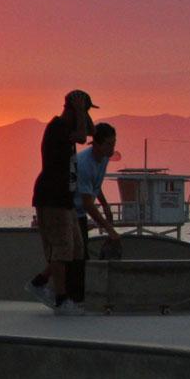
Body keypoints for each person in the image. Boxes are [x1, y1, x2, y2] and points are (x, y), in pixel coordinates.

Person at [27, 90, 97, 314]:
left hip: (64, 198)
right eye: (82, 111)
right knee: (61, 249)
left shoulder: (71, 126)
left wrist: (82, 111)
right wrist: (77, 110)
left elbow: (91, 132)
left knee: (76, 249)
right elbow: (82, 137)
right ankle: (61, 298)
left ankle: (39, 282)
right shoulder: (58, 127)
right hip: (52, 196)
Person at [74, 123, 124, 297]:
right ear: (97, 144)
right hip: (70, 212)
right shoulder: (84, 164)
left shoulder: (103, 158)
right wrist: (109, 229)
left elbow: (95, 185)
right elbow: (88, 203)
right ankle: (72, 294)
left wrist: (105, 205)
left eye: (114, 143)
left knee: (80, 254)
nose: (112, 148)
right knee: (76, 255)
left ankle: (78, 294)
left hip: (80, 212)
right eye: (109, 144)